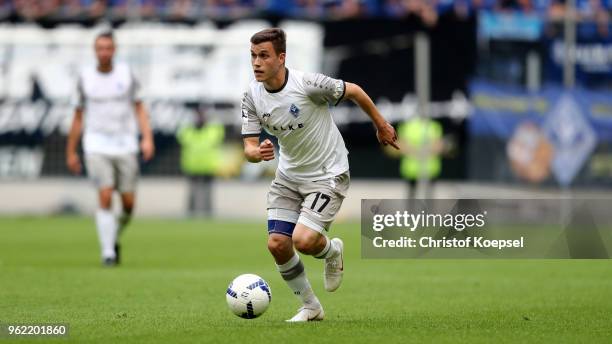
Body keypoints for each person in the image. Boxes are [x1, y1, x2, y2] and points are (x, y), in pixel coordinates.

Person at [241, 28, 399, 322]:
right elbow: (249, 147)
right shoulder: (251, 95)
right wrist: (256, 152)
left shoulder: (308, 84)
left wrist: (381, 125)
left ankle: (331, 251)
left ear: (281, 58)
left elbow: (354, 91)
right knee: (277, 243)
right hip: (288, 176)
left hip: (328, 173)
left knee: (303, 240)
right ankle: (311, 307)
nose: (256, 63)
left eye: (264, 56)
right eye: (253, 56)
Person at [66, 31, 155, 267]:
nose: (104, 52)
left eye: (108, 48)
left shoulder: (126, 75)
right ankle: (108, 253)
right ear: (95, 51)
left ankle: (112, 236)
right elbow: (77, 117)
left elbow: (140, 109)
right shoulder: (85, 78)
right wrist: (71, 151)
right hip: (95, 144)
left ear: (114, 50)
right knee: (104, 194)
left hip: (125, 144)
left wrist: (146, 138)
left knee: (128, 204)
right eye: (100, 48)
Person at [177, 108, 225, 217]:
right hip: (192, 166)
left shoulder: (212, 130)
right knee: (192, 192)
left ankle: (208, 213)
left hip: (207, 166)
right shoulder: (188, 130)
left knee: (208, 192)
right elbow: (181, 134)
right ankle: (191, 213)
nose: (200, 118)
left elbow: (218, 131)